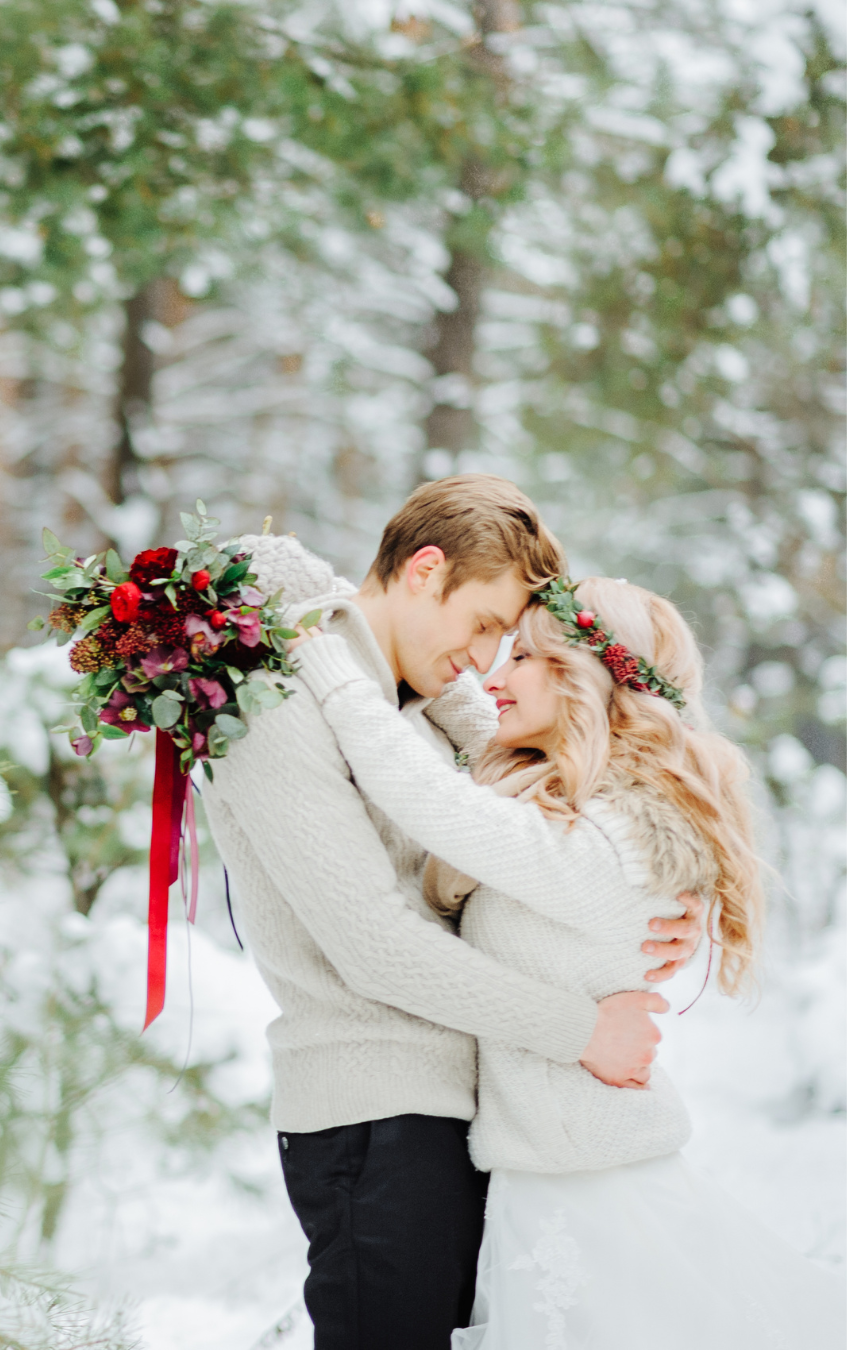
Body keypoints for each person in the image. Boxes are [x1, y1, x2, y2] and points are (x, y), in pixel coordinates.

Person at [201, 476, 703, 1350]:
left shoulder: (423, 701)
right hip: (374, 1113)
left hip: (461, 1112)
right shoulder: (277, 700)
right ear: (424, 570)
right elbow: (375, 947)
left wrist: (665, 890)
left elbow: (569, 793)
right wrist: (582, 1030)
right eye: (481, 626)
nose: (484, 659)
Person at [289, 574, 845, 1348]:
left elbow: (432, 802)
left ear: (585, 681)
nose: (494, 675)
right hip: (548, 1180)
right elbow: (477, 774)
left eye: (521, 657)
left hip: (590, 1193)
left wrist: (327, 668)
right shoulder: (587, 812)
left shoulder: (615, 842)